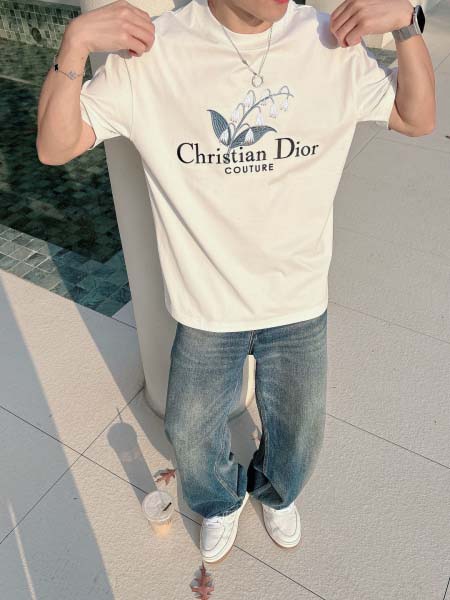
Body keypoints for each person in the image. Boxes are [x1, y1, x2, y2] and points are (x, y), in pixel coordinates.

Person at [36, 0, 435, 564]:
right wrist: (74, 43)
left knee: (300, 431)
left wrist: (408, 28)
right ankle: (220, 501)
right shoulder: (155, 54)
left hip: (298, 299)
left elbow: (416, 118)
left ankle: (276, 492)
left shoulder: (329, 42)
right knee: (190, 430)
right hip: (206, 305)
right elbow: (55, 147)